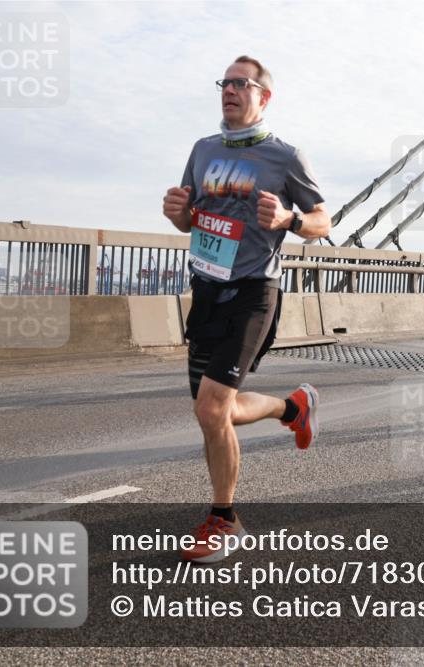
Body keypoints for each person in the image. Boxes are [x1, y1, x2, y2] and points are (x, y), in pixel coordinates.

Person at [162, 56, 331, 563]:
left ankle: (225, 520)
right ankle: (292, 408)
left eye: (242, 83)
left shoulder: (285, 156)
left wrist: (290, 219)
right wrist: (179, 214)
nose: (230, 90)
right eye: (226, 82)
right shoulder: (203, 150)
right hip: (206, 290)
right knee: (216, 412)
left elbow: (322, 221)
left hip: (254, 292)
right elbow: (190, 220)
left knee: (212, 409)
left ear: (264, 96)